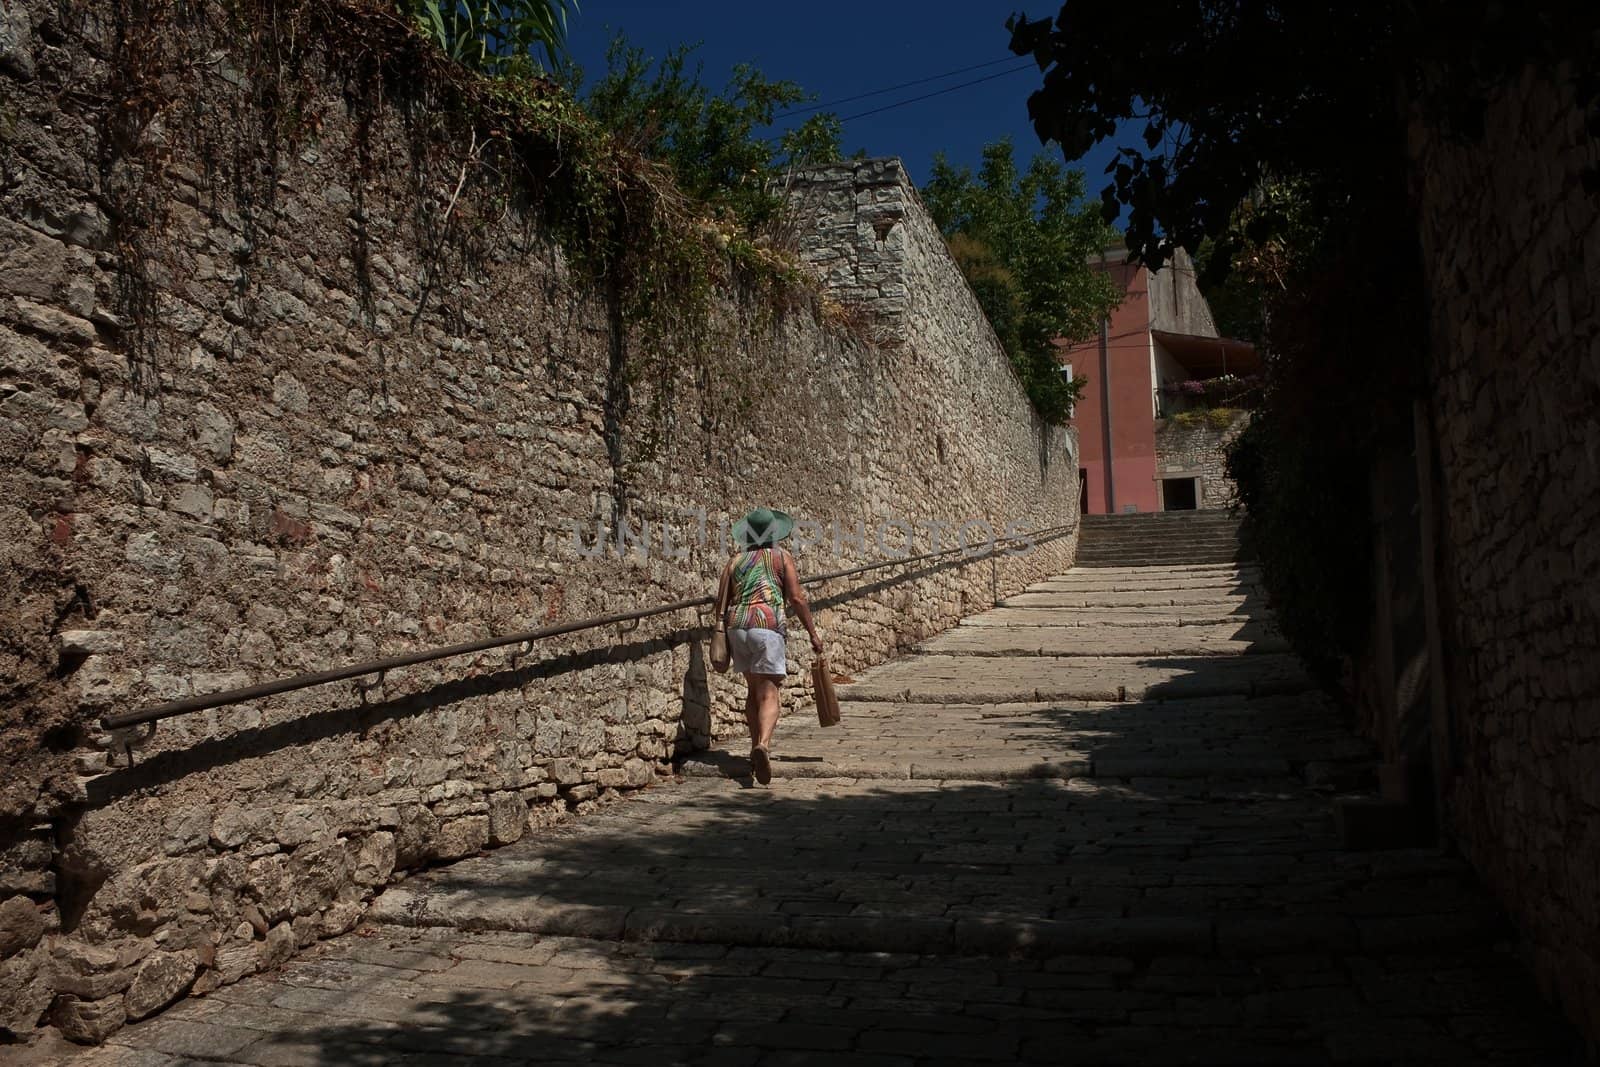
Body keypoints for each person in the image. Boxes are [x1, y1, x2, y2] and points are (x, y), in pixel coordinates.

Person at [714, 507, 823, 785]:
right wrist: (813, 633)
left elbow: (720, 602)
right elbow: (797, 599)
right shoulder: (781, 557)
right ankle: (762, 744)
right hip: (767, 626)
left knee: (753, 690)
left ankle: (754, 749)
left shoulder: (735, 561)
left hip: (737, 628)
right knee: (770, 692)